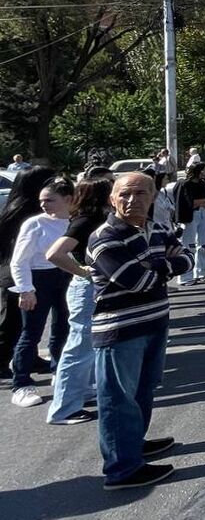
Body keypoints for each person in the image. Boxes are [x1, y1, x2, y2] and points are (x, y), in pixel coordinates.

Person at [89, 172, 192, 490]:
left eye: (140, 193)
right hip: (120, 330)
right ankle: (122, 469)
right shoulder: (104, 237)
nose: (132, 200)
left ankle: (133, 445)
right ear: (112, 199)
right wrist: (166, 265)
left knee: (143, 391)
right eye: (124, 194)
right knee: (118, 400)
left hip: (155, 322)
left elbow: (187, 258)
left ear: (154, 197)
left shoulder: (158, 229)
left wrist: (158, 266)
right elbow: (137, 281)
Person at [44, 177, 112, 425]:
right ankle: (64, 409)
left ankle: (79, 392)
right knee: (79, 348)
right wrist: (83, 272)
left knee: (86, 347)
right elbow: (54, 253)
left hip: (91, 288)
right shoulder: (86, 221)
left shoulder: (90, 218)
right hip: (86, 289)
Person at [9, 177, 74, 407]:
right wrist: (26, 289)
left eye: (49, 200)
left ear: (68, 199)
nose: (44, 205)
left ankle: (60, 372)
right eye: (41, 201)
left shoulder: (74, 221)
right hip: (38, 278)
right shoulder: (35, 223)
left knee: (64, 328)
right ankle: (21, 384)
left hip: (67, 276)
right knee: (31, 332)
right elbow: (19, 260)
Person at [0, 167, 57, 382]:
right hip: (17, 273)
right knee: (13, 323)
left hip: (18, 271)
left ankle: (30, 358)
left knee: (27, 323)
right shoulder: (26, 213)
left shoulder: (19, 208)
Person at [173, 164, 205, 286]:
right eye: (204, 170)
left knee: (203, 244)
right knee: (188, 245)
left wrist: (199, 203)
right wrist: (199, 202)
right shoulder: (184, 184)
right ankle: (185, 277)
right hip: (189, 216)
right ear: (198, 171)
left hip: (203, 214)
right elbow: (187, 202)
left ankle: (200, 273)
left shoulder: (202, 184)